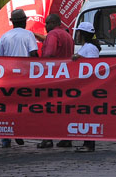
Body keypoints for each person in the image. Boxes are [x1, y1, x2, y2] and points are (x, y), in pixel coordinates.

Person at [0, 9, 38, 148]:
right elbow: (34, 54)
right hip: (24, 78)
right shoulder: (28, 35)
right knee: (22, 107)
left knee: (7, 108)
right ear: (24, 21)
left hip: (7, 78)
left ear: (12, 22)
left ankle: (6, 138)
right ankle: (18, 130)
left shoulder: (4, 37)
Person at [37, 14, 75, 149]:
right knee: (64, 110)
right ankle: (66, 138)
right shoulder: (67, 35)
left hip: (53, 77)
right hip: (66, 77)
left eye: (47, 23)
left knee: (47, 109)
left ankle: (47, 139)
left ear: (53, 23)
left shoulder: (53, 35)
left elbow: (49, 54)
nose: (45, 26)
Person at [72, 22, 101, 153]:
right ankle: (87, 143)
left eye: (78, 32)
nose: (77, 34)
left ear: (83, 34)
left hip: (88, 87)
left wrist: (77, 58)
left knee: (87, 115)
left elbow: (91, 66)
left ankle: (89, 144)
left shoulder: (89, 48)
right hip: (86, 86)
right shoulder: (88, 47)